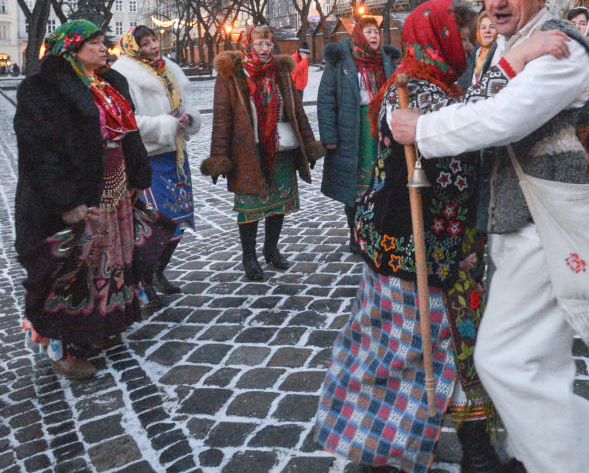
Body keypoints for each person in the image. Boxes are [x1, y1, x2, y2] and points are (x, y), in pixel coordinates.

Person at [389, 0, 589, 473]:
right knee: (540, 359)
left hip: (544, 224)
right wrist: (504, 62)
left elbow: (498, 119)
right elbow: (487, 97)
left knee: (504, 360)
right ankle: (543, 464)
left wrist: (421, 126)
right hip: (517, 223)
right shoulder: (514, 47)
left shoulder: (557, 49)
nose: (496, 1)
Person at [316, 0, 567, 473]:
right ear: (436, 36)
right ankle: (457, 462)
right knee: (424, 352)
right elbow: (465, 125)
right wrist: (514, 62)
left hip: (439, 247)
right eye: (461, 27)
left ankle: (389, 449)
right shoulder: (413, 86)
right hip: (413, 250)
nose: (468, 36)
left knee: (422, 351)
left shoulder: (434, 81)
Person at [14, 20, 173, 380]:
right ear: (71, 49)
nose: (104, 48)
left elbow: (130, 132)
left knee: (111, 261)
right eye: (95, 43)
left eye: (105, 42)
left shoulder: (111, 83)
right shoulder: (43, 90)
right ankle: (62, 348)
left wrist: (137, 174)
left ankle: (97, 329)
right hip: (76, 192)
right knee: (71, 268)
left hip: (114, 188)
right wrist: (65, 199)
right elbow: (40, 153)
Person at [201, 25, 323, 280]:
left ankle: (271, 250)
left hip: (281, 150)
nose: (266, 49)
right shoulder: (232, 74)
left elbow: (296, 111)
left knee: (278, 204)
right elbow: (222, 118)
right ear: (247, 45)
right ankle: (249, 257)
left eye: (268, 44)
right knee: (250, 207)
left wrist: (309, 145)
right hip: (247, 152)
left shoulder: (280, 71)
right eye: (259, 44)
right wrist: (219, 157)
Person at [114, 25, 201, 297]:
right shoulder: (124, 74)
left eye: (154, 40)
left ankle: (157, 271)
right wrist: (165, 123)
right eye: (146, 43)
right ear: (132, 47)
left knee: (178, 219)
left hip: (175, 153)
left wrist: (188, 118)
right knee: (155, 222)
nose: (154, 46)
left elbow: (185, 103)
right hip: (148, 156)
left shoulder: (168, 70)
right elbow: (127, 122)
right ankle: (144, 279)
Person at [317, 17, 401, 253]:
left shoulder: (387, 60)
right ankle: (355, 234)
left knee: (382, 183)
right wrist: (329, 136)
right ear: (358, 35)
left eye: (376, 32)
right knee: (354, 186)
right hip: (353, 129)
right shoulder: (341, 61)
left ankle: (377, 231)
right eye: (368, 32)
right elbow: (326, 99)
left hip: (382, 129)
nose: (374, 36)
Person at [459, 10, 497, 90]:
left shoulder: (501, 52)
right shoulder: (473, 52)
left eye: (492, 27)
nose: (487, 31)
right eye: (483, 27)